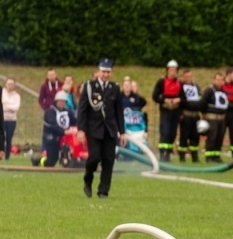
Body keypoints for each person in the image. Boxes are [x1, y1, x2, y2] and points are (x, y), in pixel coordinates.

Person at [77, 59, 126, 197]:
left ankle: (103, 191)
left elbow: (119, 112)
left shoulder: (114, 88)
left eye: (108, 72)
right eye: (104, 71)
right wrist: (80, 129)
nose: (106, 75)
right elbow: (82, 110)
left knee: (108, 161)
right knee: (94, 157)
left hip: (110, 130)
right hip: (94, 130)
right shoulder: (89, 86)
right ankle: (88, 178)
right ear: (98, 72)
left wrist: (122, 132)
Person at [31, 90, 76, 166]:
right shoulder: (50, 112)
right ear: (56, 101)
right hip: (51, 138)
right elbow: (53, 125)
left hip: (65, 138)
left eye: (63, 101)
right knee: (50, 163)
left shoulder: (67, 112)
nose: (62, 103)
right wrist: (64, 131)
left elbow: (75, 122)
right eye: (60, 101)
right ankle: (38, 160)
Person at [151, 60, 182, 162]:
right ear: (167, 70)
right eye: (171, 70)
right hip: (165, 110)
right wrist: (164, 100)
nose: (172, 72)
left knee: (172, 134)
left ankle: (168, 153)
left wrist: (179, 99)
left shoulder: (179, 83)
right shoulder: (161, 82)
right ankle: (162, 154)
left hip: (175, 111)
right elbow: (155, 96)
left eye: (174, 70)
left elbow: (183, 98)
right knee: (165, 132)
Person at [178, 69, 204, 163]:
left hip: (195, 116)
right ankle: (182, 157)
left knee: (195, 137)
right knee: (184, 137)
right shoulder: (180, 86)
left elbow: (201, 99)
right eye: (186, 76)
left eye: (190, 76)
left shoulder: (196, 86)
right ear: (183, 77)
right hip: (186, 115)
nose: (189, 78)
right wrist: (180, 114)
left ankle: (195, 157)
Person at [201, 72, 228, 162]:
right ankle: (209, 156)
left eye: (221, 80)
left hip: (221, 118)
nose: (219, 82)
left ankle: (216, 156)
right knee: (212, 137)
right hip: (212, 118)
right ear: (214, 80)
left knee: (219, 138)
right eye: (218, 79)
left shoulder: (223, 91)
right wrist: (204, 115)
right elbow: (203, 103)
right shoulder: (209, 90)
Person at [120, 76, 148, 155]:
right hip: (123, 124)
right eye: (125, 85)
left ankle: (136, 153)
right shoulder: (119, 97)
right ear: (122, 86)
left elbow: (144, 106)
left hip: (133, 125)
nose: (127, 87)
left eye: (128, 85)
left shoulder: (136, 97)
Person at [2, 77, 21, 160]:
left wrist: (5, 105)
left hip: (12, 120)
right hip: (2, 118)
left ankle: (7, 156)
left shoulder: (17, 96)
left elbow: (16, 108)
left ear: (14, 85)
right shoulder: (2, 93)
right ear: (6, 84)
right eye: (9, 84)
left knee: (9, 138)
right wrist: (9, 107)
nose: (10, 85)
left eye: (12, 84)